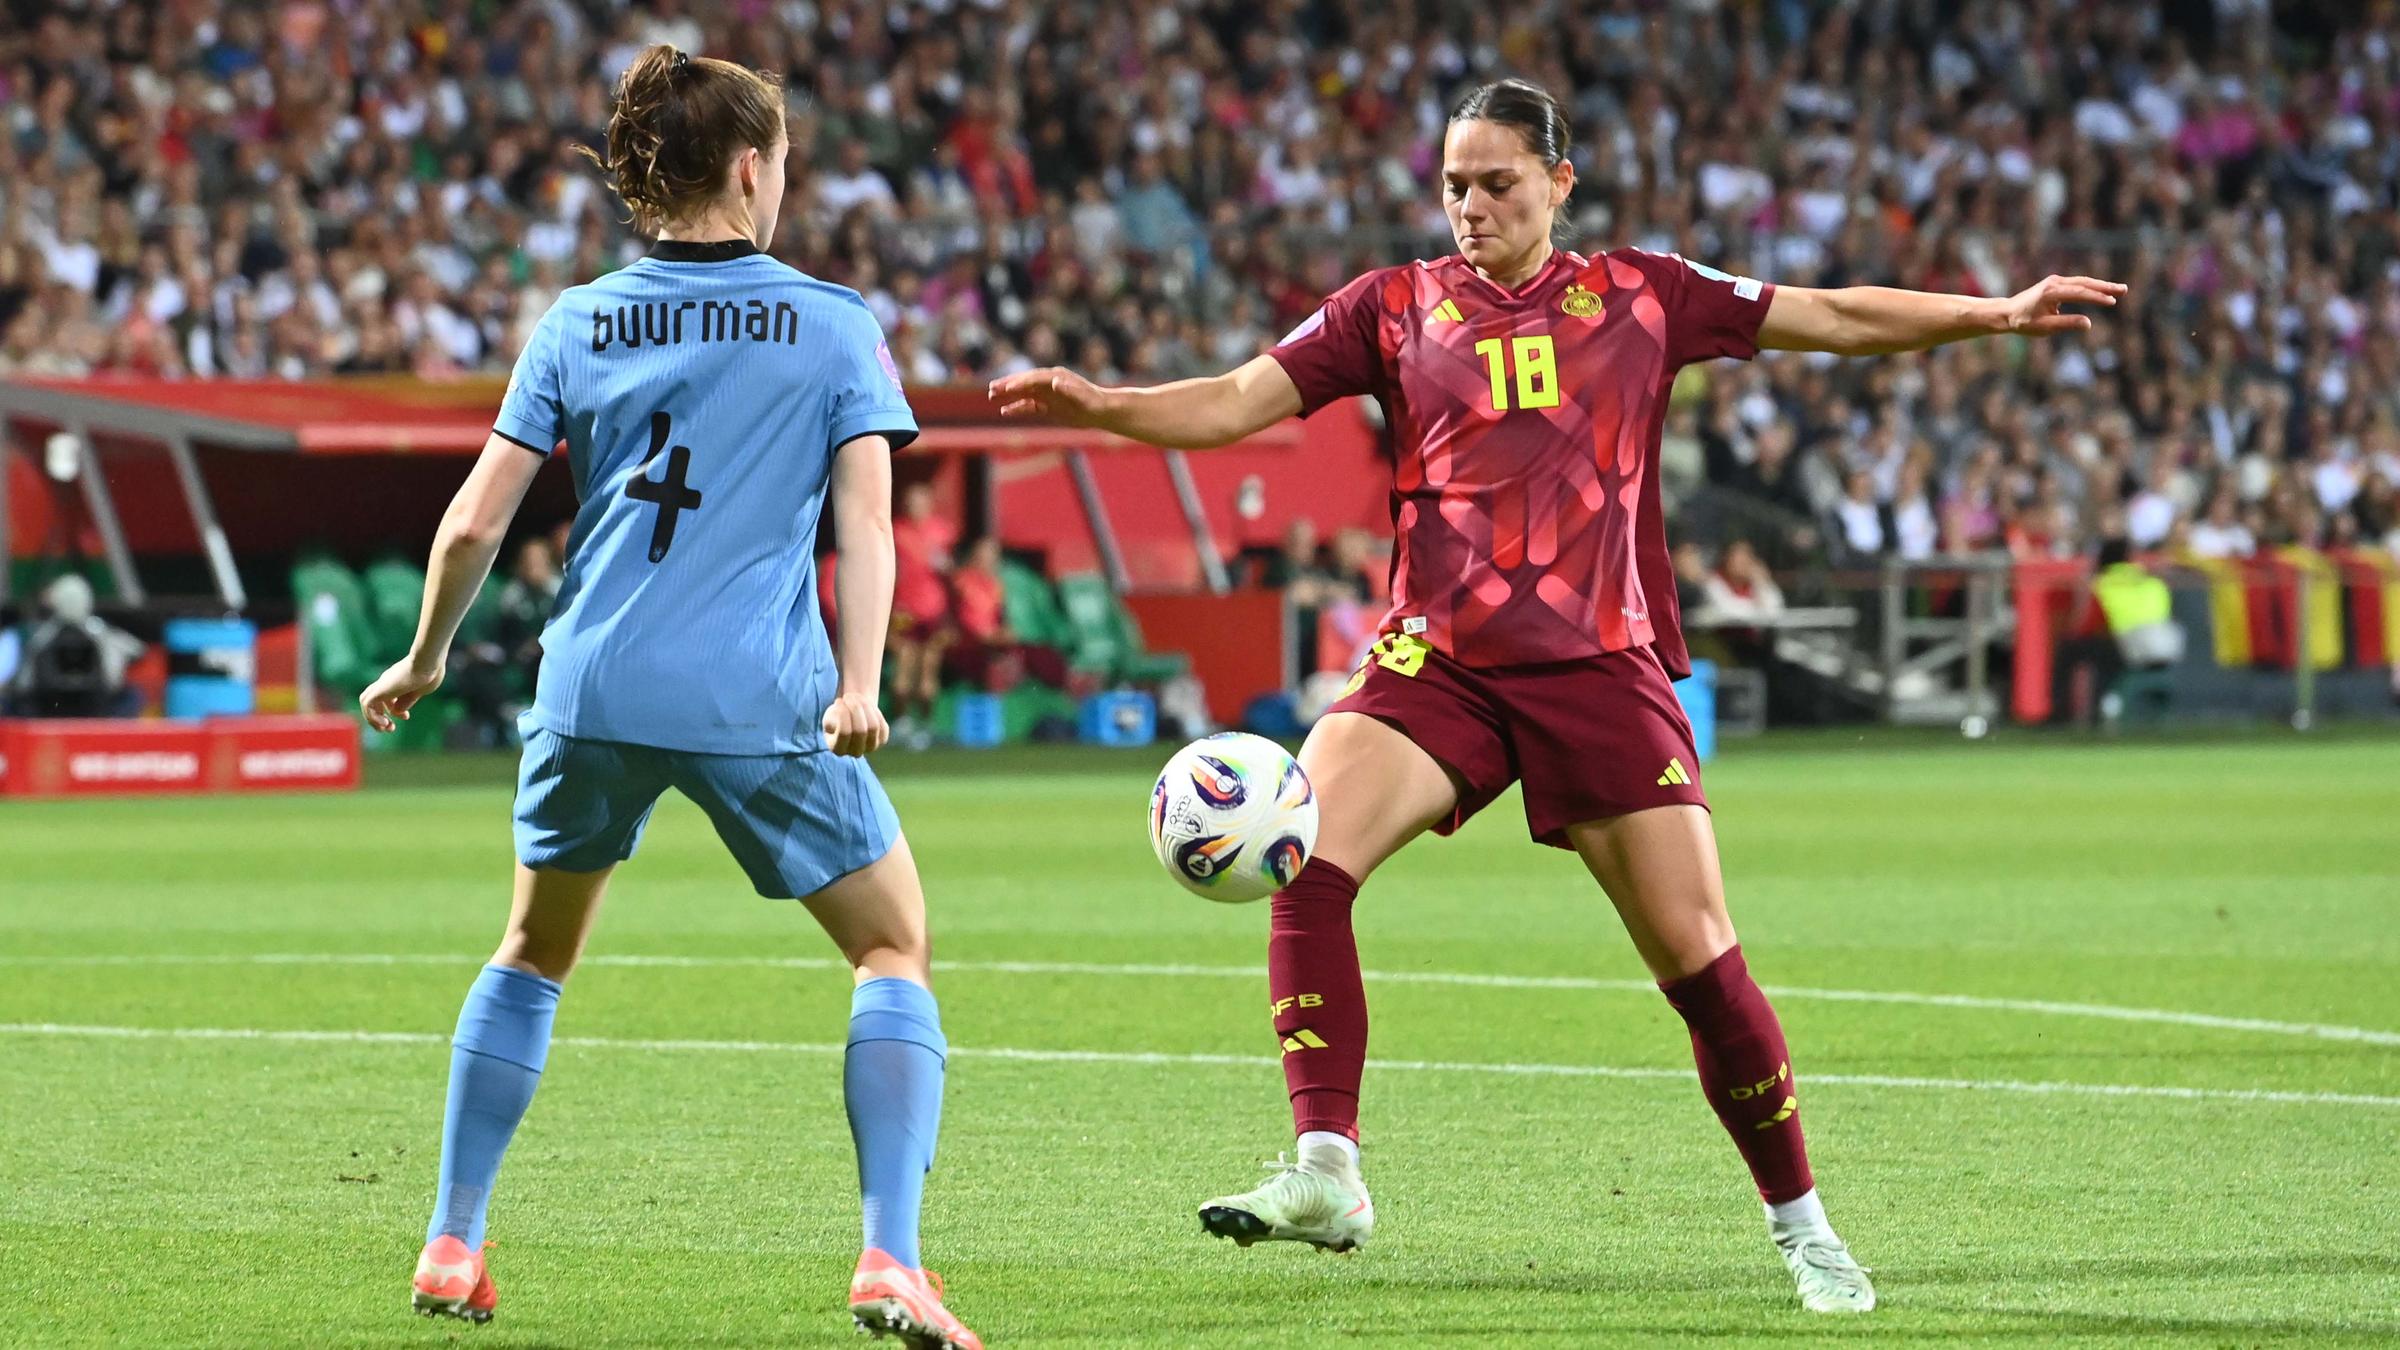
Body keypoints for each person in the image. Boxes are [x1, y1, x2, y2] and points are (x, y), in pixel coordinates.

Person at [992, 77, 2123, 1315]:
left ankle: (1804, 1228)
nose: (1470, 207)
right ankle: (1327, 1170)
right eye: (1453, 187)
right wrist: (1104, 407)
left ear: (1558, 183)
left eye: (1496, 183)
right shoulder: (1392, 309)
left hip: (1598, 663)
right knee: (1308, 858)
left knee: (1699, 960)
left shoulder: (1642, 294)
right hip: (1440, 660)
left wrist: (1995, 315)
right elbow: (1234, 400)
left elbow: (1836, 316)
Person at [358, 47, 981, 1349]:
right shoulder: (830, 320)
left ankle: (453, 1236)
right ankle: (891, 1258)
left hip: (588, 683)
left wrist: (421, 660)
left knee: (532, 948)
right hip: (756, 694)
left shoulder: (577, 317)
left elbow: (477, 520)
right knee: (891, 945)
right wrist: (862, 682)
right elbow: (866, 525)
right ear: (752, 166)